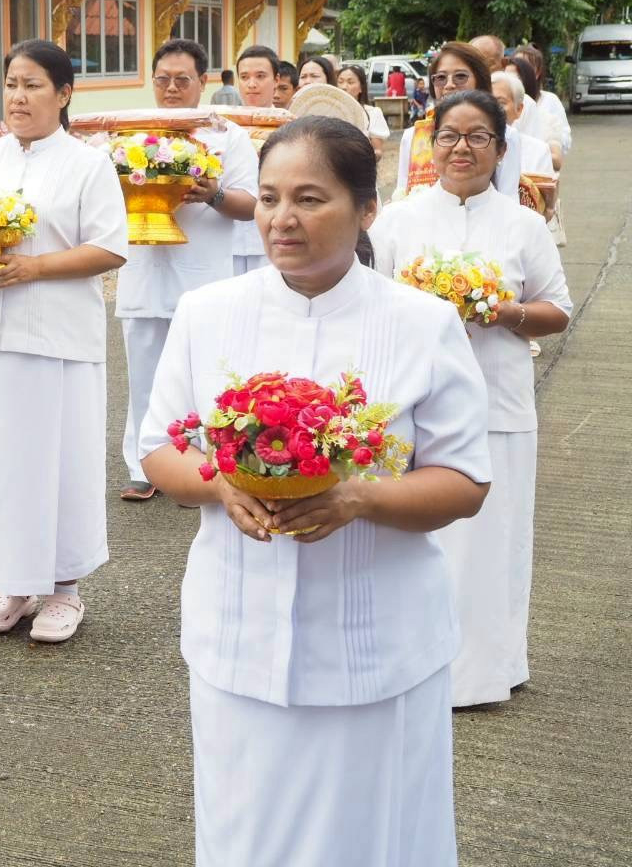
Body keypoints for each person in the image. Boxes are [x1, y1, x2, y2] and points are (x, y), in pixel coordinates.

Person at [142, 115, 492, 867]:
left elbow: (463, 482)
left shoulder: (422, 324)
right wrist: (221, 485)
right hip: (237, 634)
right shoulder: (209, 314)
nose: (282, 219)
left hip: (376, 645)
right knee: (245, 835)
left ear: (367, 209)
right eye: (268, 198)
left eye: (309, 198)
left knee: (371, 837)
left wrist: (358, 498)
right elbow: (159, 449)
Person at [372, 90, 571, 708]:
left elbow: (557, 310)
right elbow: (372, 307)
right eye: (450, 135)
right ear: (431, 146)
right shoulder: (399, 221)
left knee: (495, 537)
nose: (462, 148)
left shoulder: (523, 224)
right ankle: (413, 665)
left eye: (477, 137)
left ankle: (489, 668)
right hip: (415, 402)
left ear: (500, 148)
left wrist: (504, 311)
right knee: (416, 540)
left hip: (498, 399)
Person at [0, 39, 127, 642]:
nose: (18, 95)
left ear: (64, 95)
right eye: (12, 82)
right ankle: (13, 581)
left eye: (33, 84)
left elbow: (111, 246)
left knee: (61, 461)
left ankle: (65, 589)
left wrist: (34, 268)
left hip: (58, 341)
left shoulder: (88, 165)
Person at [117, 39, 258, 502]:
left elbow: (251, 206)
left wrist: (213, 194)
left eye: (182, 80)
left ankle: (204, 463)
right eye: (163, 80)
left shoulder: (226, 136)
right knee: (144, 372)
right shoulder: (129, 133)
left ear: (204, 83)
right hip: (143, 270)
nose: (171, 89)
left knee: (206, 373)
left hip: (203, 274)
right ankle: (145, 464)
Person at [394, 41, 522, 199]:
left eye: (460, 77)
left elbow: (508, 199)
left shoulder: (504, 135)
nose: (449, 85)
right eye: (440, 78)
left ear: (480, 81)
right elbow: (401, 194)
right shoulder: (413, 136)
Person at [232, 44, 279, 275]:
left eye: (260, 76)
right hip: (229, 235)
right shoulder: (222, 127)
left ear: (276, 79)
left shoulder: (290, 125)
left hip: (273, 233)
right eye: (244, 77)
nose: (252, 84)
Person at [506, 54, 564, 168]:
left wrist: (531, 153)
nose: (507, 83)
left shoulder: (547, 120)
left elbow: (557, 161)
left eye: (514, 78)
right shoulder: (492, 119)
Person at [515, 43, 572, 154]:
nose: (518, 72)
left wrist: (548, 144)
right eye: (515, 67)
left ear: (537, 72)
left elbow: (565, 138)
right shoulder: (505, 98)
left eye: (526, 67)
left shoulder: (550, 100)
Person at [337, 63, 389, 160]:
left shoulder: (372, 113)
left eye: (350, 82)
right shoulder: (328, 112)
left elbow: (377, 151)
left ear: (361, 88)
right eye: (340, 82)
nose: (344, 87)